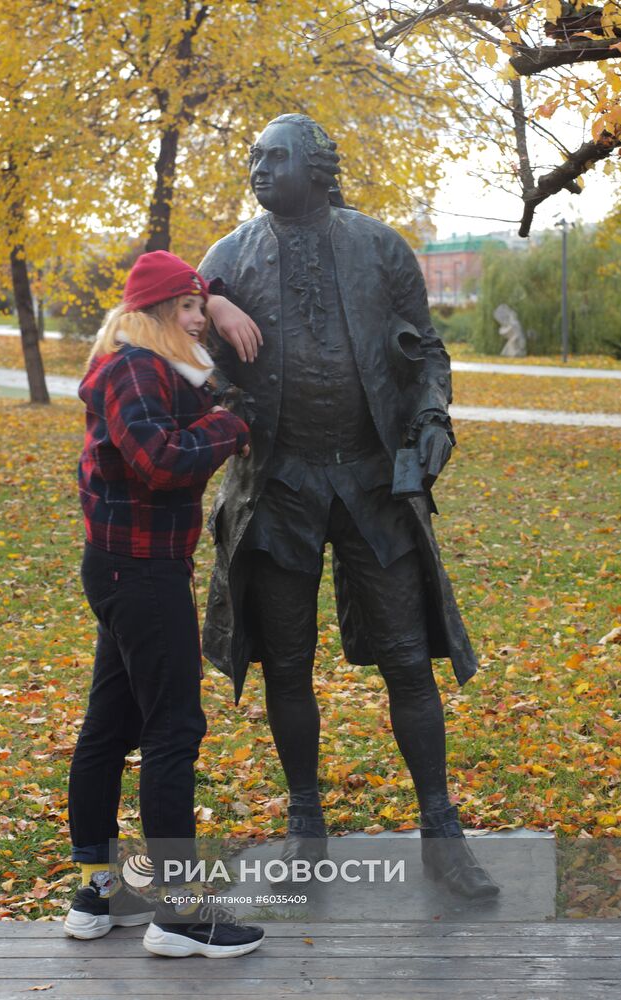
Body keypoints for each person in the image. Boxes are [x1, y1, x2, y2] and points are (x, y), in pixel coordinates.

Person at [198, 114, 499, 899]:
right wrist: (210, 318)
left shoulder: (378, 247)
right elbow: (182, 339)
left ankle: (440, 830)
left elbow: (426, 349)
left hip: (371, 484)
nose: (258, 169)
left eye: (274, 157)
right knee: (287, 664)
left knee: (407, 657)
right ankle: (306, 825)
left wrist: (433, 416)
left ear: (318, 168)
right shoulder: (227, 257)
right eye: (254, 156)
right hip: (279, 488)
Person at [64, 250, 265, 957]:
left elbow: (166, 433)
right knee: (173, 731)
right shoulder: (135, 370)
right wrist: (231, 428)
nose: (199, 321)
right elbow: (158, 460)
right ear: (153, 312)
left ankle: (100, 893)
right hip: (141, 575)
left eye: (202, 307)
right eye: (188, 308)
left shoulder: (148, 367)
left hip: (127, 571)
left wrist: (223, 304)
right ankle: (179, 917)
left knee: (110, 726)